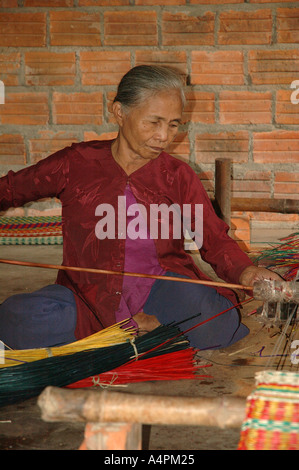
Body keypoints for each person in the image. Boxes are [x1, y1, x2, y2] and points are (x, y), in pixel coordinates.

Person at [0, 65, 281, 350]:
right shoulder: (76, 163)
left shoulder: (177, 175)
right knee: (15, 320)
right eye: (154, 122)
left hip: (160, 283)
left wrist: (246, 273)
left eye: (173, 124)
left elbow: (213, 239)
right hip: (89, 290)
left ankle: (136, 326)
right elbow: (10, 189)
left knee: (216, 326)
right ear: (120, 112)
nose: (164, 136)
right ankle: (134, 326)